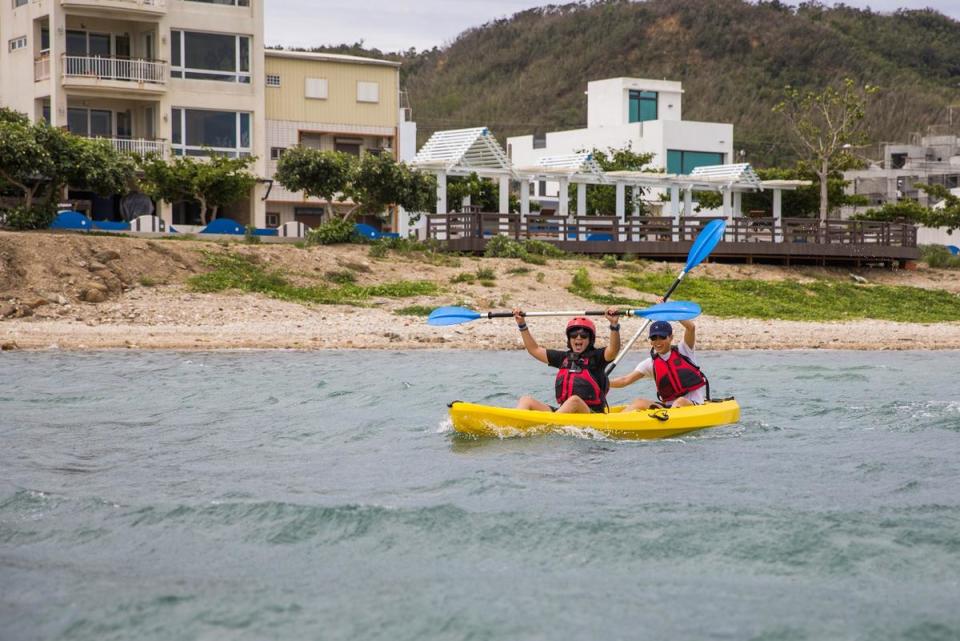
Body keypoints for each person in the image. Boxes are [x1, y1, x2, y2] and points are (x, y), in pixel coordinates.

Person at [513, 307, 621, 414]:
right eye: (574, 335)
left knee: (574, 401)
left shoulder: (597, 358)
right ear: (569, 339)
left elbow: (613, 350)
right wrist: (521, 324)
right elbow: (534, 350)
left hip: (591, 413)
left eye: (583, 336)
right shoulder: (563, 358)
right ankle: (514, 422)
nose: (578, 338)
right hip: (564, 412)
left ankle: (549, 426)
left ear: (590, 340)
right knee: (526, 400)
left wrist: (614, 325)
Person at [609, 317, 709, 410]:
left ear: (671, 337)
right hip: (668, 409)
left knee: (680, 401)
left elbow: (691, 328)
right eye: (654, 338)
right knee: (638, 402)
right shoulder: (650, 363)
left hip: (693, 405)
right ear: (651, 342)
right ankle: (611, 425)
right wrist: (602, 383)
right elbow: (624, 380)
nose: (658, 342)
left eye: (662, 337)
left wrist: (669, 310)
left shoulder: (685, 350)